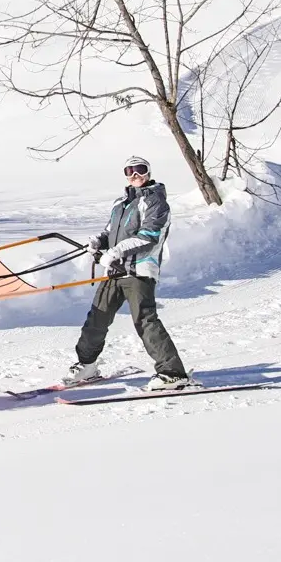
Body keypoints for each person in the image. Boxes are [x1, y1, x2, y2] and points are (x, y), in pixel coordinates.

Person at [64, 156, 197, 391]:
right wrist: (99, 241)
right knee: (97, 317)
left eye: (140, 170)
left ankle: (172, 373)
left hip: (140, 271)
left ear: (148, 172)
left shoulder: (156, 202)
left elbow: (149, 237)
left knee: (145, 321)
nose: (135, 176)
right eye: (130, 171)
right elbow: (110, 232)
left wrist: (115, 251)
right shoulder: (121, 203)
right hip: (116, 271)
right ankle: (87, 365)